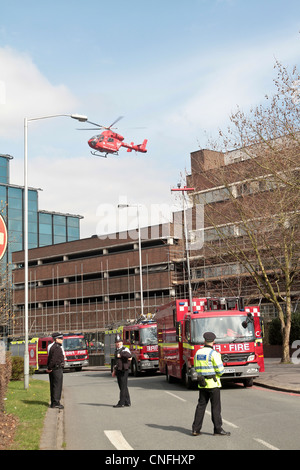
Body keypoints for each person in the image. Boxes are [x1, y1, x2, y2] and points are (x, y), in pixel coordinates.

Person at [192, 331, 230, 436]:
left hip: (202, 384)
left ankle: (195, 429)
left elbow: (196, 367)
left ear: (204, 340)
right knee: (215, 407)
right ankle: (218, 429)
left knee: (200, 406)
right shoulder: (214, 354)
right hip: (213, 384)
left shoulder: (198, 353)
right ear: (213, 341)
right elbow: (220, 371)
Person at [112, 334, 132, 408]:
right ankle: (127, 401)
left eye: (119, 342)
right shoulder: (116, 350)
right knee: (122, 386)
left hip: (124, 370)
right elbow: (116, 362)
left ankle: (121, 403)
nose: (118, 343)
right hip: (119, 370)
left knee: (123, 387)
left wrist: (120, 354)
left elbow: (129, 355)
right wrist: (114, 370)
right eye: (117, 342)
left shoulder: (124, 349)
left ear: (122, 342)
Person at [46, 332, 65, 409]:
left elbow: (49, 358)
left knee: (53, 386)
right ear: (56, 339)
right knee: (57, 386)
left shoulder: (53, 347)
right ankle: (56, 402)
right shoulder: (57, 347)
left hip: (54, 369)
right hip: (56, 369)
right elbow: (53, 360)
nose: (62, 340)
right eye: (60, 338)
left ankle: (53, 403)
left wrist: (49, 367)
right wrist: (50, 368)